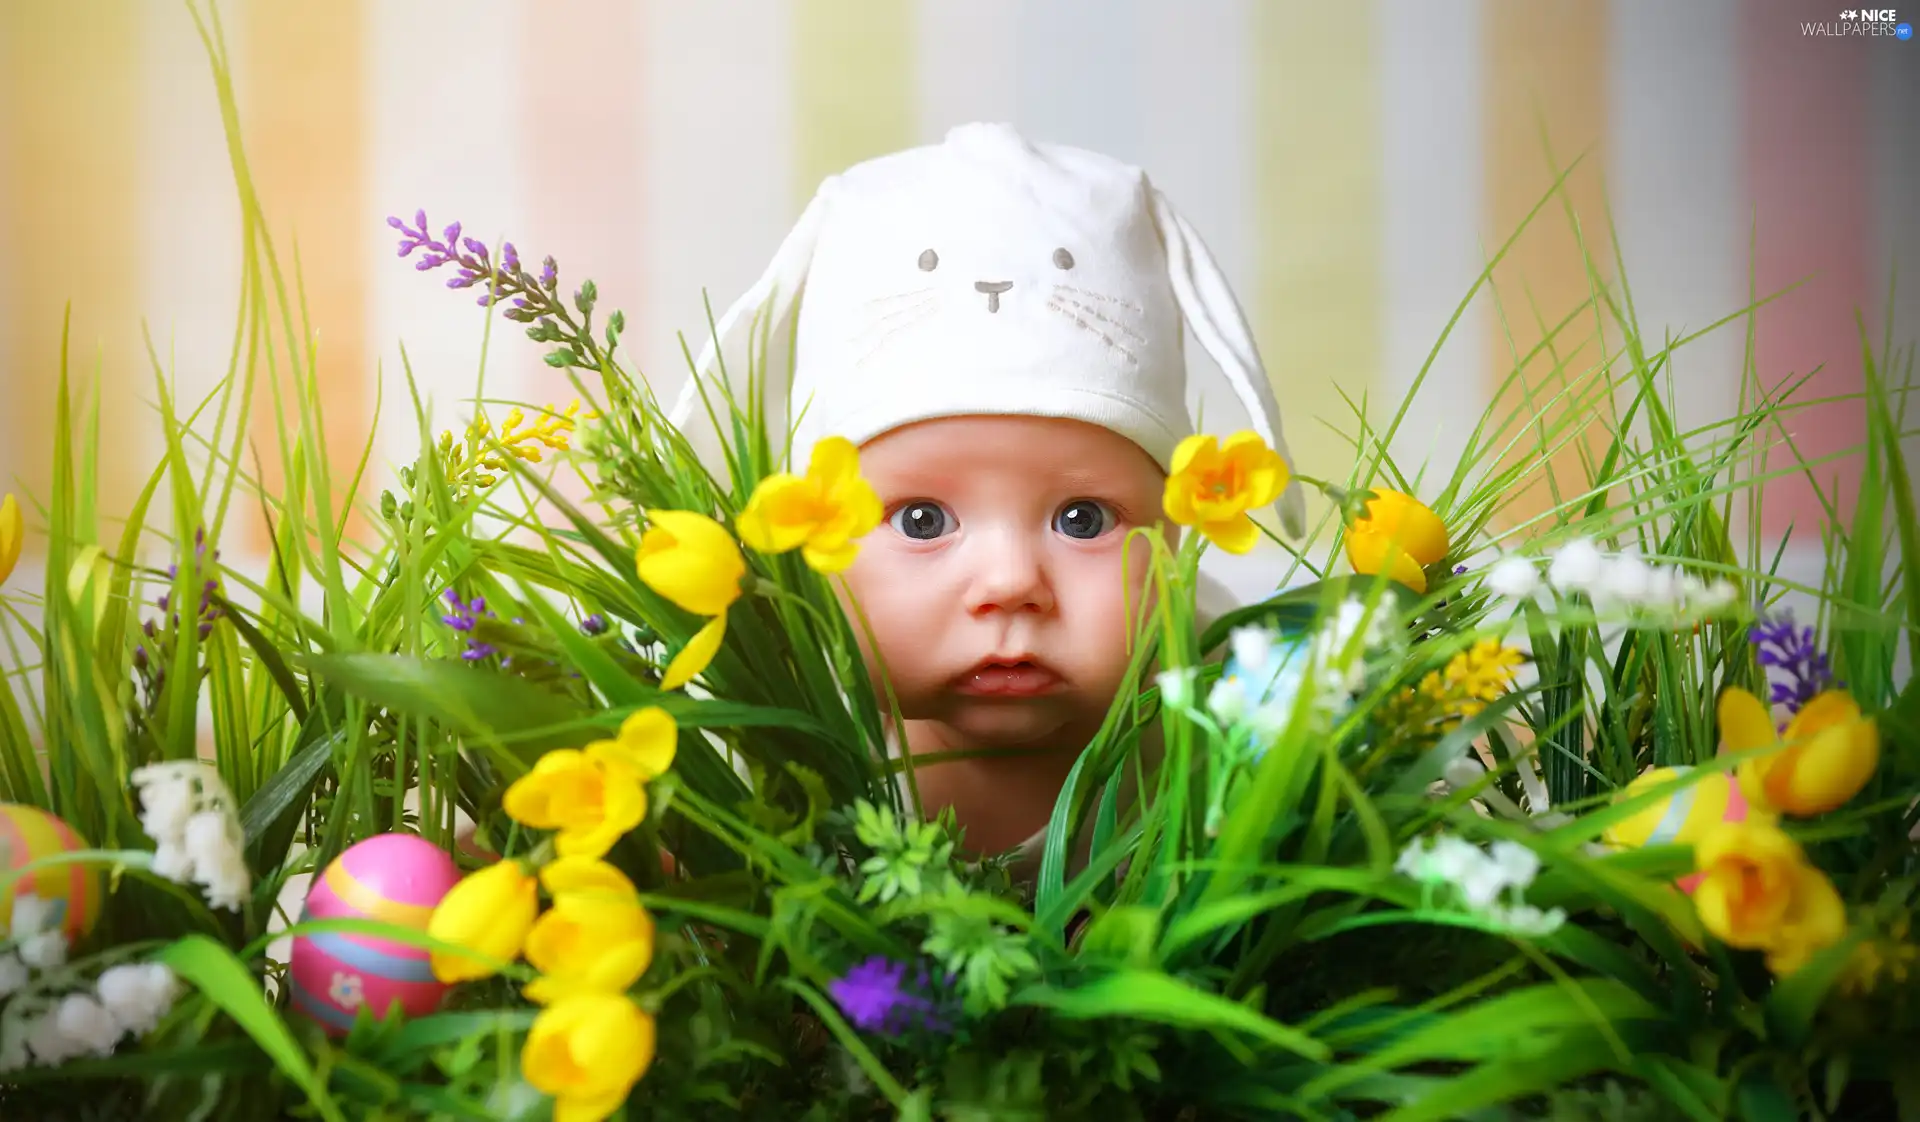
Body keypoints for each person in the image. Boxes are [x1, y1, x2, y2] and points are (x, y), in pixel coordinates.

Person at [672, 122, 1306, 861]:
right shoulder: (773, 735)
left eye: (1082, 518)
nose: (1009, 583)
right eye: (920, 519)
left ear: (1175, 528)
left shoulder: (1236, 707)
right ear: (810, 542)